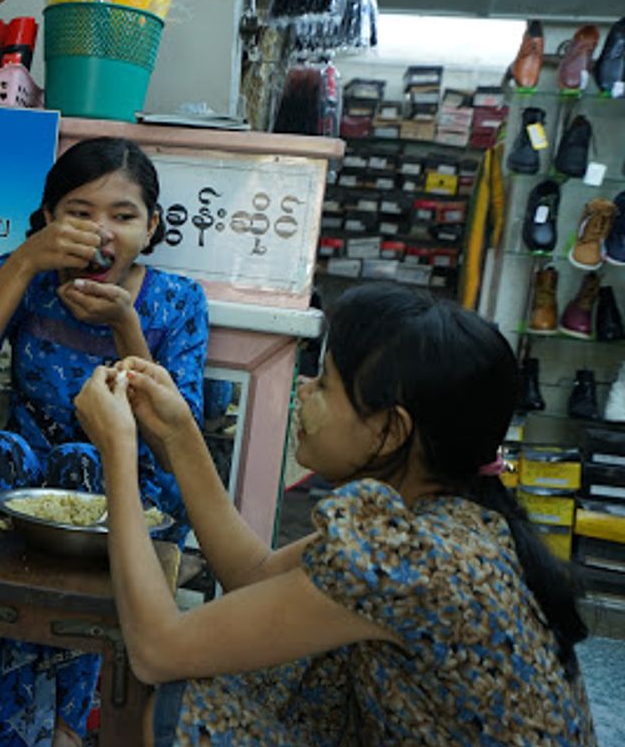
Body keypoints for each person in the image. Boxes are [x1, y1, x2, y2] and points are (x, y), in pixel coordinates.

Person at [74, 282, 596, 747]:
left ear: (390, 431)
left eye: (323, 384)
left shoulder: (409, 555)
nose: (304, 392)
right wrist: (178, 431)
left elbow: (156, 650)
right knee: (262, 671)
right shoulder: (450, 517)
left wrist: (118, 451)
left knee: (186, 709)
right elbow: (253, 575)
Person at [0, 137, 209, 747]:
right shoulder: (22, 278)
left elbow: (170, 446)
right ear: (50, 218)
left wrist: (125, 324)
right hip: (23, 493)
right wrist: (23, 263)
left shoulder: (178, 302)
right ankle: (4, 715)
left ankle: (56, 726)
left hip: (132, 494)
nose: (102, 232)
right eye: (80, 212)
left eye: (124, 215)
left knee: (86, 462)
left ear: (152, 226)